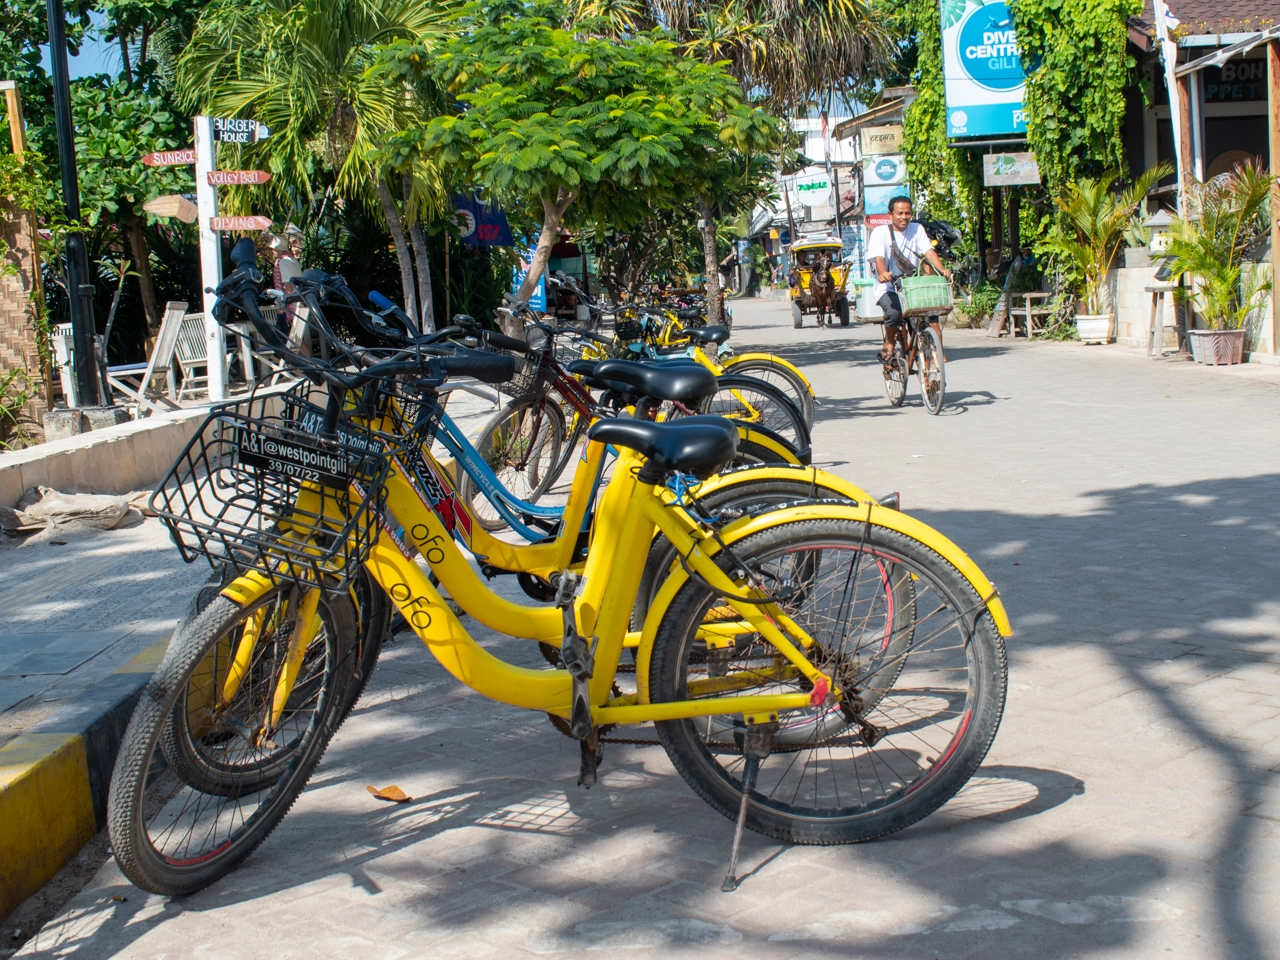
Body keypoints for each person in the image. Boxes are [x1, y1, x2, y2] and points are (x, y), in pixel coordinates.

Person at [867, 196, 952, 362]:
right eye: (900, 213)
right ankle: (890, 343)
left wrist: (941, 269)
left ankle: (934, 352)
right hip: (890, 287)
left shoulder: (917, 229)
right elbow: (879, 259)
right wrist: (883, 273)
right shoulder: (880, 233)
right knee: (894, 312)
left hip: (914, 286)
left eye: (907, 213)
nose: (904, 217)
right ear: (890, 215)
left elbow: (929, 252)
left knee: (932, 311)